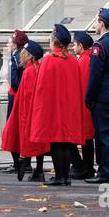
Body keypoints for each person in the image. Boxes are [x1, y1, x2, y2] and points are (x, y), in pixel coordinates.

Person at [29, 24, 84, 186]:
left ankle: (60, 176)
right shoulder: (73, 61)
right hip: (69, 108)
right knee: (67, 142)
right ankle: (65, 176)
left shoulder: (49, 60)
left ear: (54, 42)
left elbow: (42, 88)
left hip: (53, 108)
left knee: (56, 143)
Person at [1, 39, 49, 182]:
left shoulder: (29, 71)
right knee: (39, 141)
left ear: (31, 57)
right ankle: (38, 169)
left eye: (25, 53)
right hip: (37, 111)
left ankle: (28, 165)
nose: (22, 55)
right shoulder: (38, 68)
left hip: (28, 111)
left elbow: (27, 96)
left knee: (27, 138)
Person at [85, 8, 109, 184]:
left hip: (102, 97)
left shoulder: (98, 46)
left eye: (96, 21)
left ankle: (105, 173)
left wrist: (89, 97)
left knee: (103, 136)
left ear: (102, 24)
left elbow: (95, 75)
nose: (94, 25)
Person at [2, 30, 30, 174]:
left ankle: (18, 163)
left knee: (13, 129)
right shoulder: (21, 56)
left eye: (10, 42)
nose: (7, 44)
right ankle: (26, 163)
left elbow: (14, 82)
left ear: (15, 45)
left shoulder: (15, 58)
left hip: (15, 97)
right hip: (20, 96)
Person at [70, 31, 96, 179]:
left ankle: (85, 168)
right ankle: (86, 167)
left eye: (75, 45)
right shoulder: (87, 58)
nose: (73, 48)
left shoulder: (83, 61)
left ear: (81, 45)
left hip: (83, 106)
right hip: (86, 105)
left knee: (86, 138)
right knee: (87, 138)